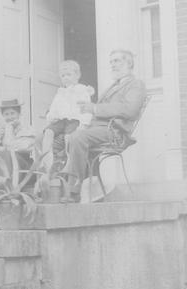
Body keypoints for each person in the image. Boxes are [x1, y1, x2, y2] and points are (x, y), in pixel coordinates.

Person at [63, 50, 147, 202]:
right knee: (64, 137)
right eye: (111, 62)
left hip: (115, 132)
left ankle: (73, 192)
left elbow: (130, 110)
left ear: (128, 63)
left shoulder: (136, 84)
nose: (113, 65)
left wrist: (95, 108)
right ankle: (74, 186)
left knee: (77, 138)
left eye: (117, 61)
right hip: (99, 129)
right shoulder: (113, 86)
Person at [41, 60, 95, 170]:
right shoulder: (61, 92)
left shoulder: (82, 90)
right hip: (61, 121)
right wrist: (51, 117)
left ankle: (70, 161)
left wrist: (84, 124)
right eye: (63, 76)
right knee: (48, 132)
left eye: (69, 75)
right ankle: (47, 161)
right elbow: (54, 108)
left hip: (74, 120)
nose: (65, 78)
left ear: (77, 75)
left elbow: (86, 109)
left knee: (68, 137)